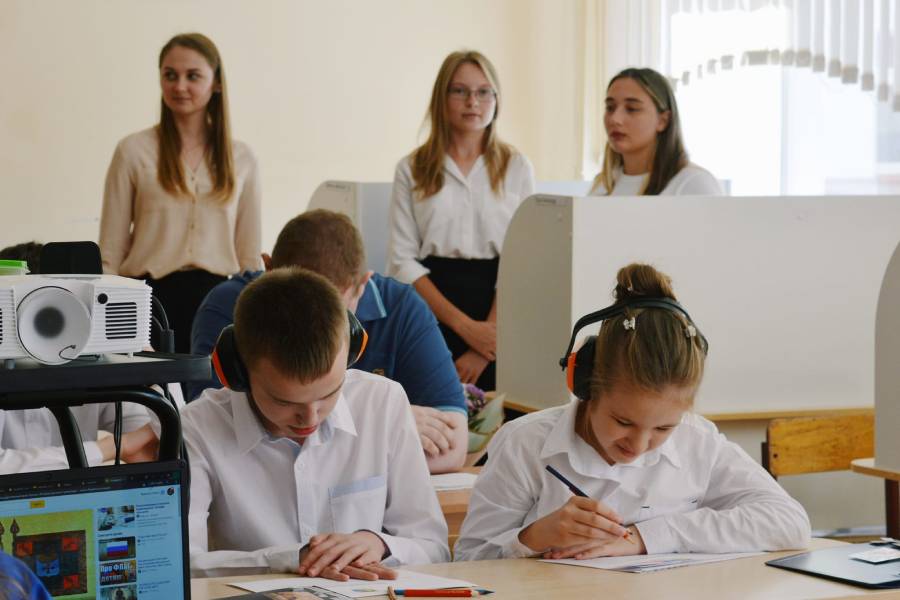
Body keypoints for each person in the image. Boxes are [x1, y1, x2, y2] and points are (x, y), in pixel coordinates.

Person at [454, 263, 810, 560]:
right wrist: (532, 537)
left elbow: (789, 522)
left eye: (664, 429)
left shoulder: (698, 440)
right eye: (623, 421)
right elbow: (468, 561)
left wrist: (646, 537)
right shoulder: (524, 444)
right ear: (587, 386)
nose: (639, 445)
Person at [182, 268, 449, 577]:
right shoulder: (197, 427)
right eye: (285, 402)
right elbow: (179, 565)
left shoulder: (382, 402)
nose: (310, 418)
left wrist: (380, 544)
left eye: (330, 393)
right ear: (237, 373)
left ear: (352, 351)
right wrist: (289, 560)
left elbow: (434, 547)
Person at [191, 210, 468, 473]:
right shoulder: (227, 305)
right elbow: (218, 433)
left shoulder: (403, 307)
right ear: (269, 270)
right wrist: (381, 424)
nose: (312, 327)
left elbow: (453, 444)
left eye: (332, 310)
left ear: (363, 283)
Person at [99, 33, 261, 353]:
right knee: (153, 386)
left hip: (217, 304)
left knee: (208, 385)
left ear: (216, 83)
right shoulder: (133, 151)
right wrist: (117, 320)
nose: (180, 86)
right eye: (170, 75)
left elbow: (249, 257)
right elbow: (110, 253)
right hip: (150, 302)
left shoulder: (242, 158)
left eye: (193, 76)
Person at [387, 50, 535, 391]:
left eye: (484, 92)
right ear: (442, 97)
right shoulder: (411, 168)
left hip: (498, 309)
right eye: (460, 91)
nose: (473, 102)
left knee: (498, 413)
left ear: (496, 99)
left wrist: (486, 343)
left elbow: (522, 260)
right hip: (432, 307)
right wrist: (466, 328)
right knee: (433, 409)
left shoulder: (516, 166)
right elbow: (401, 261)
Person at [590, 67, 722, 196]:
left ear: (663, 121)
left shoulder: (693, 183)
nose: (615, 119)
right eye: (610, 107)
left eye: (632, 109)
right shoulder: (601, 185)